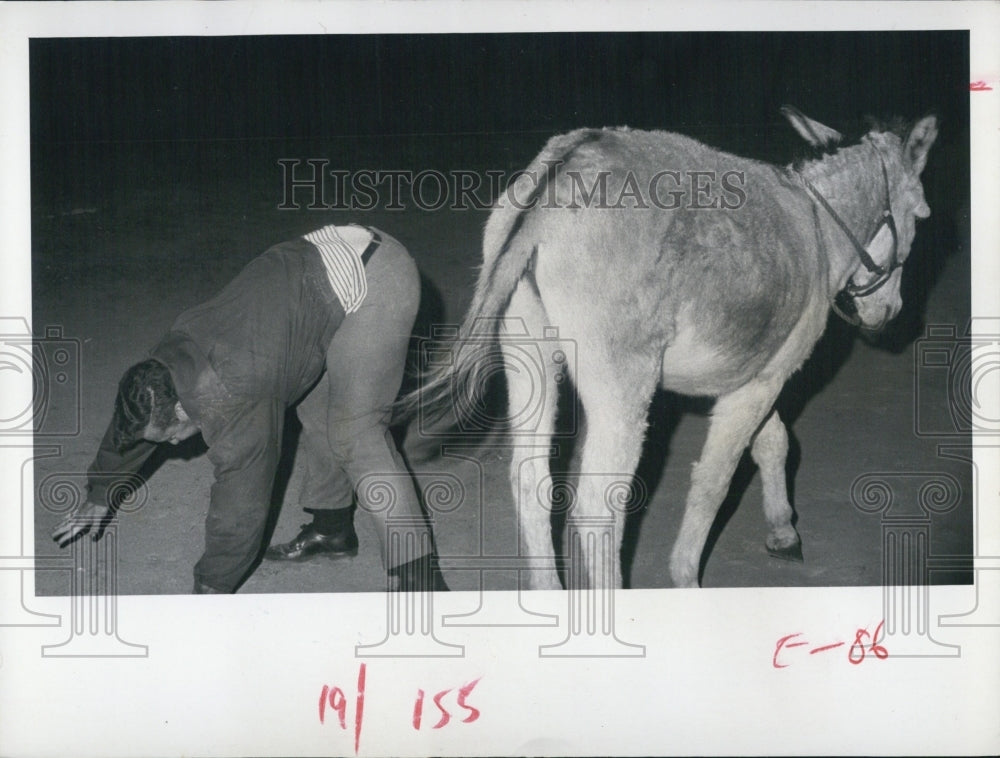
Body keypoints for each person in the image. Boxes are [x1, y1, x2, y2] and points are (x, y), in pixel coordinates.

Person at [52, 223, 448, 594]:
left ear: (183, 410)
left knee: (356, 433)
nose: (172, 445)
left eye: (170, 436)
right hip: (323, 270)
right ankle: (332, 531)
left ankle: (420, 578)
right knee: (315, 409)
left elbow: (241, 506)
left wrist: (211, 585)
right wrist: (102, 490)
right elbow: (137, 411)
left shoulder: (236, 391)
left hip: (375, 275)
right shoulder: (168, 363)